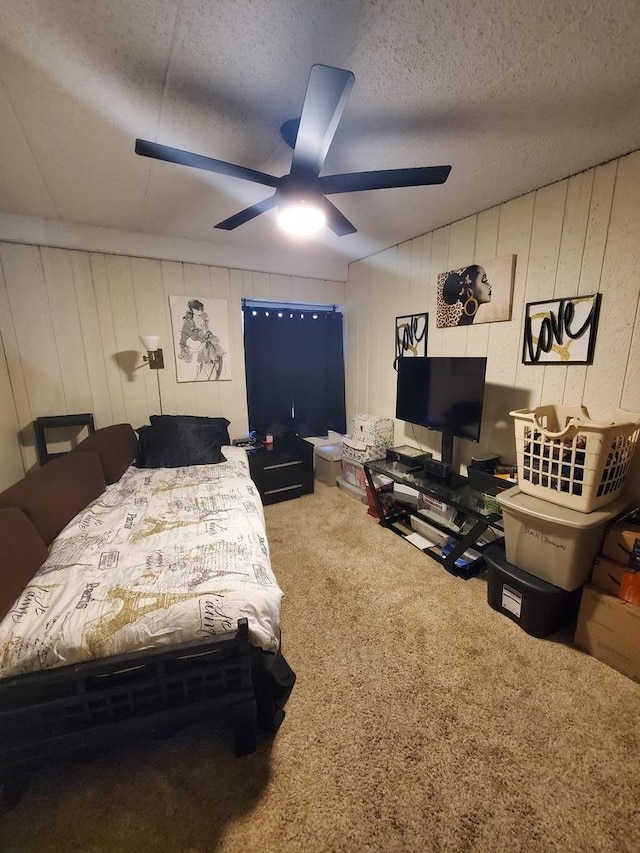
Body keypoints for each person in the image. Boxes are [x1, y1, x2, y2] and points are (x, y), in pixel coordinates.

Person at [178, 299, 225, 380]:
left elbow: (216, 339)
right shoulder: (187, 327)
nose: (198, 319)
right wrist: (186, 351)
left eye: (200, 315)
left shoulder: (206, 322)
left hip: (213, 357)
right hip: (199, 359)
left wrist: (210, 337)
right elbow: (183, 344)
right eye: (195, 316)